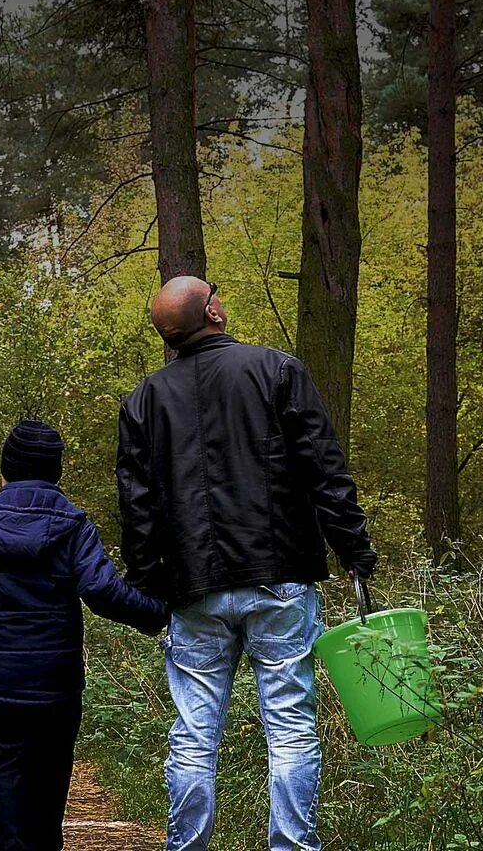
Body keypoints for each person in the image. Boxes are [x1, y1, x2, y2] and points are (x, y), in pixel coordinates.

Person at [116, 277, 377, 851]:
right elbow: (324, 471)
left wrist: (149, 584)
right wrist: (354, 549)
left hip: (194, 591)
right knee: (290, 728)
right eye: (215, 293)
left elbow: (135, 507)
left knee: (193, 736)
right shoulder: (278, 371)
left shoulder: (143, 399)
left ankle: (186, 847)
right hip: (278, 577)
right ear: (212, 310)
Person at [0, 419, 169, 851]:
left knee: (4, 776)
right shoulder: (74, 524)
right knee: (49, 778)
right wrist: (156, 613)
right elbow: (101, 589)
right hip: (55, 683)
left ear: (4, 469)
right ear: (55, 472)